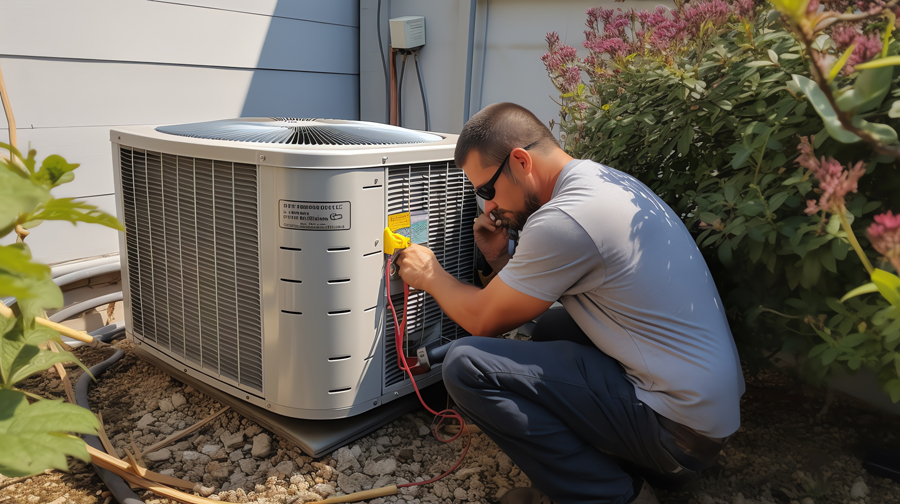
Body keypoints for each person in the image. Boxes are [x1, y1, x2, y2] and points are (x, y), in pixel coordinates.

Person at [393, 102, 745, 504]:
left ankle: (612, 495)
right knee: (553, 328)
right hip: (704, 420)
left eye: (486, 191)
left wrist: (430, 275)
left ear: (521, 161)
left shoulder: (566, 219)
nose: (487, 207)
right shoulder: (600, 183)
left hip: (676, 431)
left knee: (465, 364)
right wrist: (498, 259)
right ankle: (644, 463)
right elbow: (534, 296)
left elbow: (483, 321)